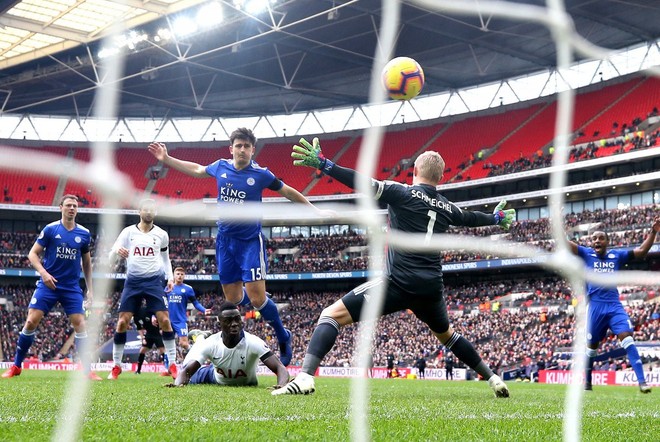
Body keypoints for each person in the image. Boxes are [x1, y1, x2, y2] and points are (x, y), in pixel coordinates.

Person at [273, 140, 514, 397]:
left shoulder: (402, 192)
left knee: (330, 315)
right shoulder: (448, 207)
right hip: (432, 288)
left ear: (415, 172)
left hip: (399, 282)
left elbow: (361, 182)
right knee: (447, 336)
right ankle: (493, 378)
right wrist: (496, 219)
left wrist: (325, 164)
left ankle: (306, 376)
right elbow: (471, 219)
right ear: (441, 177)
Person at [148, 128, 329, 366]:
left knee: (256, 300)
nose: (242, 149)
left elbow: (287, 191)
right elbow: (197, 170)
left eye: (246, 146)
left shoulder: (261, 174)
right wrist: (167, 159)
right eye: (238, 145)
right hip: (224, 242)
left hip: (250, 242)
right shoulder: (221, 167)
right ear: (231, 148)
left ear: (253, 150)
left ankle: (283, 336)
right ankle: (261, 296)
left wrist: (315, 210)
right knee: (233, 298)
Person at [1, 195, 102, 380]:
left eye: (75, 206)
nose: (72, 208)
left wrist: (90, 289)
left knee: (80, 323)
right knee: (31, 321)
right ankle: (16, 366)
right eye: (68, 205)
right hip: (48, 284)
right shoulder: (50, 229)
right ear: (61, 207)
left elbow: (87, 264)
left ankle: (87, 370)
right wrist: (44, 273)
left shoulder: (84, 233)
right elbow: (32, 254)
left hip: (71, 287)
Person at [568, 220, 660, 393]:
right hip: (595, 308)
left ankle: (642, 381)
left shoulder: (616, 256)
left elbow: (641, 252)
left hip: (614, 306)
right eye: (594, 238)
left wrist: (653, 233)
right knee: (592, 347)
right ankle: (587, 381)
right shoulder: (586, 254)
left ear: (607, 241)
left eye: (601, 238)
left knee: (627, 337)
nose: (597, 241)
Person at [107, 199, 177, 380]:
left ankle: (173, 364)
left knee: (165, 320)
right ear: (139, 211)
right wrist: (117, 251)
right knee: (122, 322)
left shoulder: (161, 234)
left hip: (154, 281)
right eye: (146, 209)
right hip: (133, 282)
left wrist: (169, 277)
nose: (149, 211)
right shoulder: (128, 232)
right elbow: (113, 250)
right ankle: (116, 366)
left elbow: (165, 258)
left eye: (152, 209)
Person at [167, 301, 289, 388]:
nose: (234, 323)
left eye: (237, 319)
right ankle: (199, 338)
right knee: (186, 364)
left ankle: (200, 338)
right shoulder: (212, 343)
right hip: (212, 377)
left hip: (244, 382)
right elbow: (187, 371)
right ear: (220, 323)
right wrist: (177, 386)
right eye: (229, 321)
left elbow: (280, 368)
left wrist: (281, 385)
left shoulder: (254, 342)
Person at [167, 267, 211, 351]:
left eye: (182, 274)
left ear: (184, 276)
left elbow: (195, 303)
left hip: (180, 321)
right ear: (174, 275)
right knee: (168, 345)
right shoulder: (168, 288)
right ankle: (170, 363)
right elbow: (162, 304)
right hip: (168, 321)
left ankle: (194, 354)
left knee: (183, 344)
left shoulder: (188, 289)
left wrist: (204, 310)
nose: (179, 276)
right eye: (178, 274)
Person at [134, 306, 165, 375]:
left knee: (162, 351)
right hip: (149, 334)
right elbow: (139, 329)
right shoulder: (136, 318)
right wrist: (143, 338)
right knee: (142, 351)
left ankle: (168, 369)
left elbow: (158, 314)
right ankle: (138, 370)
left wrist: (161, 329)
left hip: (157, 333)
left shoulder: (146, 310)